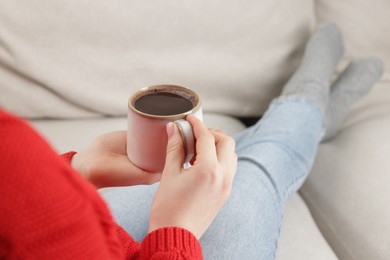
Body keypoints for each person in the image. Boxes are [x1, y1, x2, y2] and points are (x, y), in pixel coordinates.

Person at [0, 22, 383, 259]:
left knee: (226, 176)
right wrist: (176, 230)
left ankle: (307, 112)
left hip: (96, 239)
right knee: (248, 177)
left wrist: (74, 172)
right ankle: (309, 105)